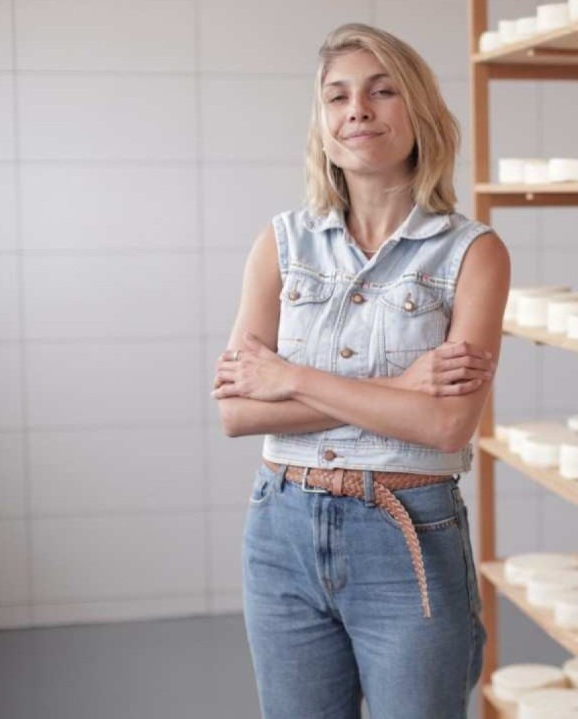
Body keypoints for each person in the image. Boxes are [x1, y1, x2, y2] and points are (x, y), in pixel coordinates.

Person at [210, 22, 508, 719]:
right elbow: (238, 412)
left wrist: (292, 377)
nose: (357, 110)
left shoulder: (473, 254)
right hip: (280, 526)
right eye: (337, 96)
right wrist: (400, 388)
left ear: (420, 112)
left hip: (406, 535)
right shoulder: (280, 244)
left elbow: (446, 424)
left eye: (382, 91)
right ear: (321, 123)